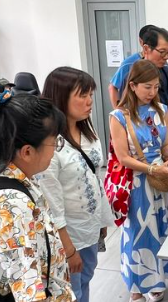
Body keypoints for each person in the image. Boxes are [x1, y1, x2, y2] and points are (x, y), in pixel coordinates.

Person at [0, 79, 75, 301]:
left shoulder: (1, 169)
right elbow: (28, 291)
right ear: (27, 151)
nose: (55, 150)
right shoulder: (11, 207)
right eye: (54, 142)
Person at [109, 60, 168, 302]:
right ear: (132, 85)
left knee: (161, 230)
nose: (153, 92)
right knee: (139, 233)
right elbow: (123, 158)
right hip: (138, 184)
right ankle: (136, 285)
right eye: (147, 87)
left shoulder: (159, 109)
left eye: (156, 87)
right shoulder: (119, 116)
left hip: (160, 183)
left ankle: (156, 280)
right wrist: (153, 169)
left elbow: (164, 146)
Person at [39, 66, 113, 302]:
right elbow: (51, 202)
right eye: (82, 95)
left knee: (86, 278)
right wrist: (68, 249)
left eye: (90, 94)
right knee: (72, 289)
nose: (89, 101)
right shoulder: (50, 143)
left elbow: (95, 179)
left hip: (89, 225)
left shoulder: (87, 132)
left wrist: (102, 219)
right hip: (68, 234)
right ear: (60, 97)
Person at [109, 27, 168, 132]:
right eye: (162, 52)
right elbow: (117, 97)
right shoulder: (131, 71)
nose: (166, 57)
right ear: (146, 49)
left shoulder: (166, 72)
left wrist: (165, 135)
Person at [108, 24, 158, 109]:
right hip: (131, 111)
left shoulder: (162, 63)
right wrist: (118, 110)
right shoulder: (128, 64)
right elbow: (112, 87)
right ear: (141, 42)